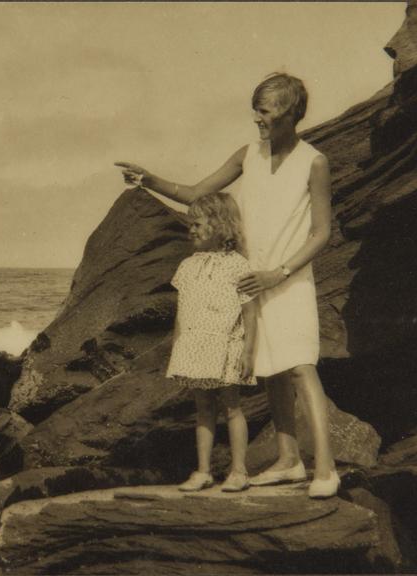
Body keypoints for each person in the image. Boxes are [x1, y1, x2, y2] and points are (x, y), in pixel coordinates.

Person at [115, 72, 339, 499]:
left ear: (291, 112)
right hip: (246, 278)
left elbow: (322, 232)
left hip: (288, 279)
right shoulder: (247, 154)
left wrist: (281, 272)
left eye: (266, 111)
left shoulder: (315, 161)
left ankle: (325, 469)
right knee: (269, 369)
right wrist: (150, 180)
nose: (257, 119)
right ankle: (289, 461)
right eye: (255, 110)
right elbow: (198, 192)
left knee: (300, 366)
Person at [167, 193, 258, 493]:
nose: (190, 230)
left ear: (220, 225)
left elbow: (249, 311)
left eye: (197, 224)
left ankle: (239, 471)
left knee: (232, 406)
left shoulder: (238, 265)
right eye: (189, 225)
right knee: (203, 407)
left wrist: (248, 350)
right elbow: (183, 310)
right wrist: (179, 344)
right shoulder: (187, 266)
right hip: (194, 344)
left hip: (227, 344)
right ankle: (204, 471)